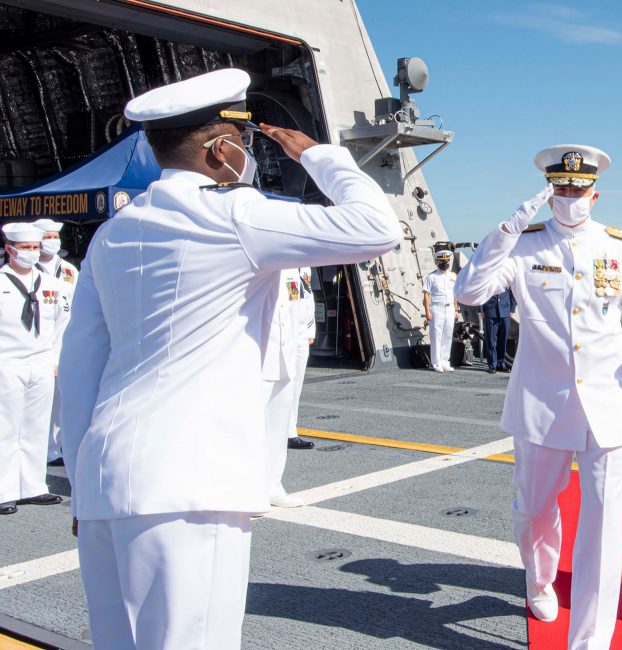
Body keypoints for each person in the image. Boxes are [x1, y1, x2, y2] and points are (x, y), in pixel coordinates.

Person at [58, 68, 402, 649]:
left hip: (107, 477)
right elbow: (377, 228)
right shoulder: (235, 215)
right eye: (242, 144)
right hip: (193, 482)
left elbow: (80, 364)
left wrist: (82, 483)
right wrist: (323, 158)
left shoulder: (112, 234)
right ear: (222, 148)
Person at [454, 145, 622, 650]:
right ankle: (539, 575)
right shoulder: (524, 246)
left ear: (596, 193)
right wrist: (504, 233)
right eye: (561, 189)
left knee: (602, 527)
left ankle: (590, 642)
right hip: (542, 405)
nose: (570, 198)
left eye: (578, 189)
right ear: (549, 193)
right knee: (533, 511)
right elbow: (469, 293)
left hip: (610, 408)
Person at [0, 222, 68, 515]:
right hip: (7, 361)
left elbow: (61, 325)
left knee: (36, 425)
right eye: (25, 248)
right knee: (6, 427)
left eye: (35, 248)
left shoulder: (52, 285)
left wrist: (55, 358)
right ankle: (4, 489)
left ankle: (33, 486)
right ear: (9, 250)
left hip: (40, 362)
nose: (31, 253)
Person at [33, 218, 77, 466]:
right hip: (38, 344)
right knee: (39, 404)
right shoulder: (29, 272)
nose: (53, 241)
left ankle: (54, 449)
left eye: (55, 237)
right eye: (48, 237)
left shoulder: (70, 271)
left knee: (60, 401)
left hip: (64, 342)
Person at [262, 268, 305, 508]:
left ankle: (273, 486)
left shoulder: (292, 271)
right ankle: (251, 491)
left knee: (278, 430)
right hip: (259, 358)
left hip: (285, 358)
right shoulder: (257, 264)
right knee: (253, 429)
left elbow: (296, 311)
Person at [287, 267, 316, 450]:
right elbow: (290, 302)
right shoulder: (287, 269)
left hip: (301, 336)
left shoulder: (305, 268)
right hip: (287, 335)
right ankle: (276, 431)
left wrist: (310, 331)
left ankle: (291, 432)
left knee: (296, 387)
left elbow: (309, 300)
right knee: (284, 385)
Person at [423, 249, 459, 372]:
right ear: (437, 262)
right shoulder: (431, 277)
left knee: (448, 335)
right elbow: (426, 295)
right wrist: (427, 311)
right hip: (436, 308)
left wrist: (456, 309)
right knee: (436, 336)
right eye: (442, 261)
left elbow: (455, 294)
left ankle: (445, 361)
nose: (445, 263)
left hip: (450, 308)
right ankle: (436, 363)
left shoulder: (453, 276)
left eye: (446, 261)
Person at [481, 288, 515, 373]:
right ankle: (492, 365)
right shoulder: (487, 275)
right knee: (491, 340)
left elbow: (513, 290)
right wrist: (480, 309)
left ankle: (500, 363)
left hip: (505, 310)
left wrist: (512, 307)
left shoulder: (507, 275)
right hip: (490, 310)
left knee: (503, 339)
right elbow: (481, 290)